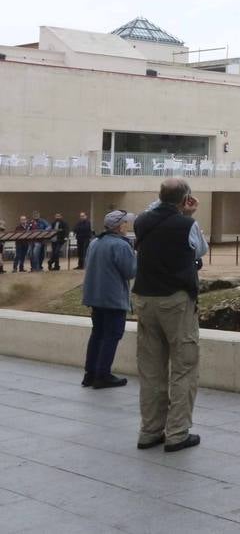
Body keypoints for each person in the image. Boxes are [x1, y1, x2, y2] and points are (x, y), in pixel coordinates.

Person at [132, 178, 208, 451]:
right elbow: (200, 250)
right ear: (185, 198)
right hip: (175, 300)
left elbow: (156, 213)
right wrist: (188, 215)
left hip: (144, 298)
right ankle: (177, 432)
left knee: (150, 368)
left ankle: (150, 430)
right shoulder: (187, 225)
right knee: (184, 365)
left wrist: (178, 208)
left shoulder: (142, 221)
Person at [82, 210, 137, 389]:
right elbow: (130, 271)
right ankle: (103, 374)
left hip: (95, 296)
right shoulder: (121, 245)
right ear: (119, 226)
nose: (127, 226)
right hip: (113, 298)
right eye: (125, 223)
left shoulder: (95, 242)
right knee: (111, 336)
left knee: (97, 334)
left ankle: (90, 373)